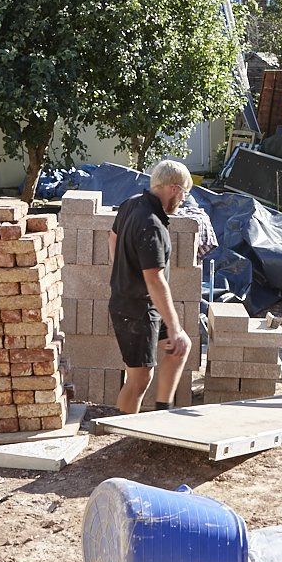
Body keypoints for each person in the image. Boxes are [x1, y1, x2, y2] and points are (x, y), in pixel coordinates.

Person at [108, 159, 195, 414]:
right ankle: (119, 434)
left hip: (145, 305)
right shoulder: (152, 225)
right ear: (174, 189)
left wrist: (122, 268)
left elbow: (112, 237)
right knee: (139, 380)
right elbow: (155, 280)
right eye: (184, 194)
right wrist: (175, 327)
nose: (183, 201)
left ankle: (162, 411)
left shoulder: (131, 203)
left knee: (181, 347)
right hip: (135, 310)